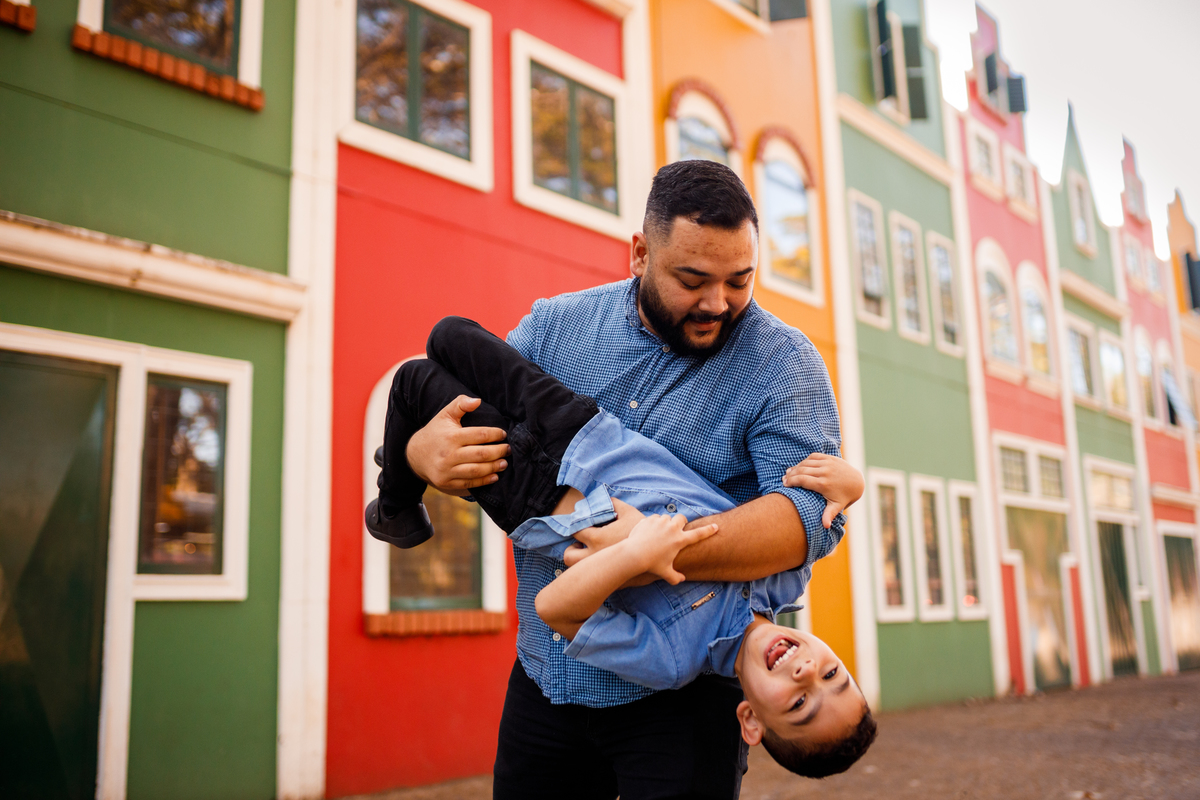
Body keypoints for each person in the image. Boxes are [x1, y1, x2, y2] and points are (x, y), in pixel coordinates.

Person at [401, 160, 847, 800]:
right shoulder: (556, 327)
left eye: (740, 281)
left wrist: (650, 553)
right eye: (692, 280)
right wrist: (422, 456)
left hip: (688, 703)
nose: (718, 304)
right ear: (640, 253)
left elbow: (807, 522)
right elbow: (466, 407)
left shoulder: (786, 363)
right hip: (547, 677)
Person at [367, 316, 875, 780]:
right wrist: (850, 485)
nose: (808, 672)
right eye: (832, 674)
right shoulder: (785, 577)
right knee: (448, 336)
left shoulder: (674, 660)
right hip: (585, 434)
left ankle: (394, 507)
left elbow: (556, 609)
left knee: (415, 380)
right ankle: (398, 468)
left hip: (531, 496)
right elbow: (807, 507)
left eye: (800, 703)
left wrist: (634, 556)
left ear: (749, 719)